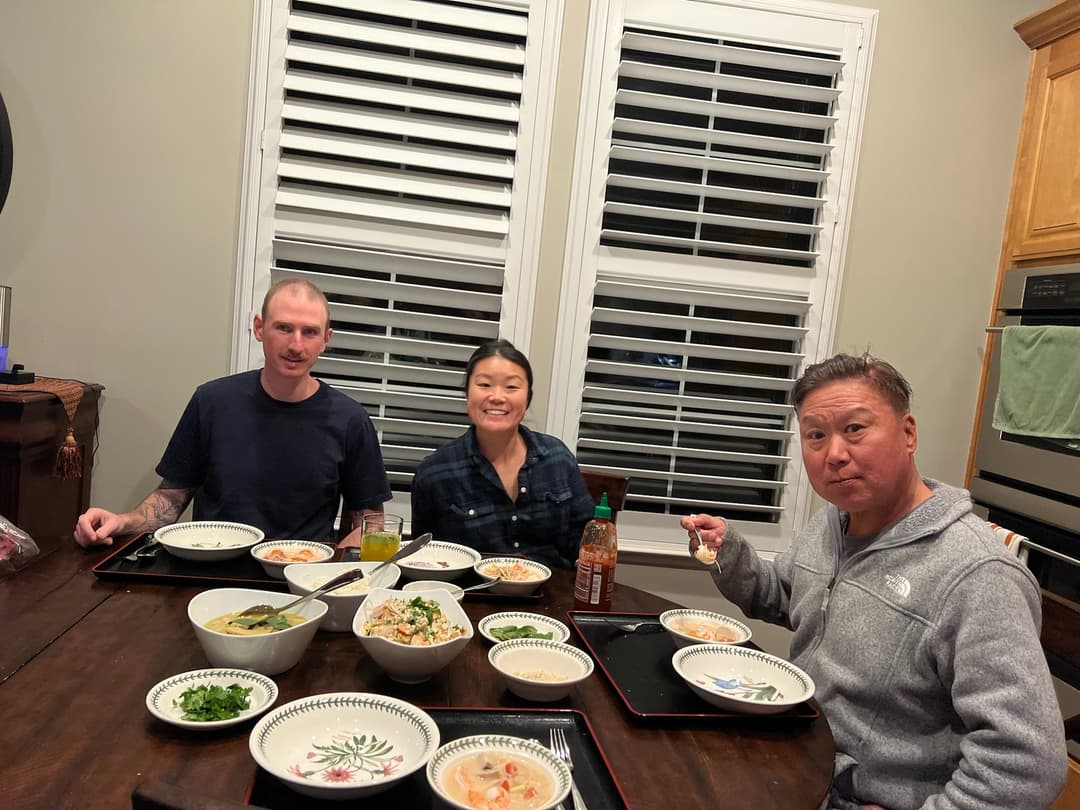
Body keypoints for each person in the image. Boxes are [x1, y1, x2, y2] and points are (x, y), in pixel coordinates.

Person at [682, 353, 1067, 810]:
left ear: (908, 433)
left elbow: (1027, 763)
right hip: (793, 758)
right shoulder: (833, 523)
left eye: (855, 429)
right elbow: (785, 597)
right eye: (816, 436)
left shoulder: (977, 575)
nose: (835, 453)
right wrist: (728, 552)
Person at [74, 279, 392, 549]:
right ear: (259, 328)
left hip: (299, 582)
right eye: (284, 328)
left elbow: (370, 524)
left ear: (326, 340)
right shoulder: (212, 401)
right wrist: (120, 521)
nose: (296, 345)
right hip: (211, 571)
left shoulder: (350, 420)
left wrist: (334, 568)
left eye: (309, 332)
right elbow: (170, 502)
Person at [410, 339, 594, 569]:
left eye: (511, 387)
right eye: (485, 385)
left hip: (553, 598)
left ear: (527, 398)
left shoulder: (557, 458)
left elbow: (588, 545)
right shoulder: (434, 473)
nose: (497, 396)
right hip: (470, 600)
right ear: (467, 392)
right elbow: (425, 559)